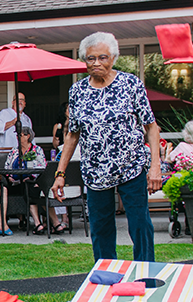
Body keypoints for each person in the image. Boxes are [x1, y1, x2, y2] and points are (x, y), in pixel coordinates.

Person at [51, 31, 162, 263]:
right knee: (101, 230)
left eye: (103, 57)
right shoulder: (77, 91)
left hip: (131, 166)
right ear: (84, 61)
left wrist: (155, 166)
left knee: (140, 225)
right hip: (95, 171)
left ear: (113, 58)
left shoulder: (131, 84)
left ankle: (146, 275)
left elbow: (151, 127)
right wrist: (60, 174)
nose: (96, 63)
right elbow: (72, 135)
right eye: (91, 58)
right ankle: (104, 278)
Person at [4, 127, 64, 235]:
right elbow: (7, 166)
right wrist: (9, 176)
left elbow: (42, 166)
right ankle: (54, 223)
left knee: (33, 190)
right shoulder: (14, 150)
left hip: (34, 181)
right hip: (16, 183)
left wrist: (32, 177)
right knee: (33, 191)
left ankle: (38, 224)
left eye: (20, 135)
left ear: (28, 136)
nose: (18, 137)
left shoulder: (37, 150)